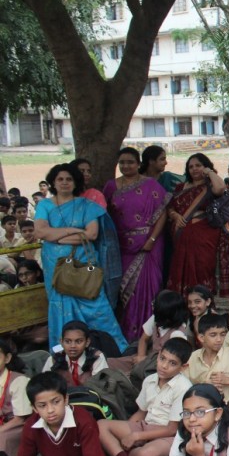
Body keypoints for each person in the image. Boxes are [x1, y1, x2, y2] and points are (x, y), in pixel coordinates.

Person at [34, 162, 127, 351]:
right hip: (57, 267)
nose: (65, 183)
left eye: (69, 179)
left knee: (96, 304)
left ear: (76, 182)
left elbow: (91, 234)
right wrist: (72, 231)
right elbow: (41, 232)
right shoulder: (44, 205)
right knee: (61, 304)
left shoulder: (87, 206)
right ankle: (65, 353)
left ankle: (111, 349)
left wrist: (58, 237)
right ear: (53, 182)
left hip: (85, 265)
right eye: (60, 179)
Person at [2, 372, 118, 456]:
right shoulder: (31, 426)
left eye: (56, 402)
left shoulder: (84, 420)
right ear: (34, 408)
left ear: (66, 399)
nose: (50, 410)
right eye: (42, 405)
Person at [103, 147, 170, 341]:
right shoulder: (111, 187)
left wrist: (151, 240)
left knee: (148, 290)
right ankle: (128, 336)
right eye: (122, 162)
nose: (126, 166)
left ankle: (149, 336)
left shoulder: (150, 185)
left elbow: (162, 213)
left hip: (149, 246)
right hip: (121, 247)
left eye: (130, 162)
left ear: (139, 164)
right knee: (124, 291)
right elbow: (105, 217)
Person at [97, 338, 193, 456]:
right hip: (145, 427)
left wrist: (136, 437)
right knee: (101, 425)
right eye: (162, 358)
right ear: (158, 355)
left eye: (172, 363)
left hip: (168, 435)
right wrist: (127, 436)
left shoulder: (183, 387)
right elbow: (141, 412)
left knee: (146, 454)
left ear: (183, 367)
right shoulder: (150, 380)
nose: (164, 366)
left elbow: (172, 429)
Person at [166, 153, 229, 297]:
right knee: (180, 269)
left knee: (202, 268)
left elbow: (220, 189)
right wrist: (175, 216)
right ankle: (182, 305)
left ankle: (204, 304)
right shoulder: (181, 187)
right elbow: (170, 207)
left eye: (198, 165)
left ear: (205, 166)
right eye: (191, 167)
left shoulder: (209, 185)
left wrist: (209, 172)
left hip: (204, 236)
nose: (194, 169)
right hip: (181, 234)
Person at [42, 320, 108, 387]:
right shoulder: (54, 359)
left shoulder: (96, 357)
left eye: (79, 341)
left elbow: (100, 388)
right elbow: (45, 386)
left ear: (87, 342)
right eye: (67, 341)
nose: (73, 346)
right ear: (61, 342)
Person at [0, 337, 30, 456]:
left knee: (2, 438)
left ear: (7, 358)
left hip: (16, 426)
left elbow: (20, 419)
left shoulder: (19, 381)